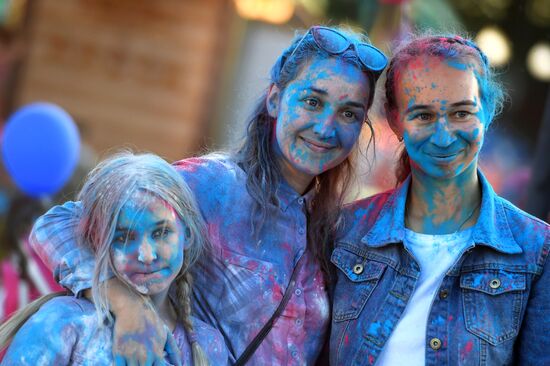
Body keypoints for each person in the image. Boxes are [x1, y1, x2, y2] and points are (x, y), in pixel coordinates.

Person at [29, 26, 388, 364]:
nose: (326, 127)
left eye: (348, 113)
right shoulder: (212, 185)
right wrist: (124, 304)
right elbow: (59, 225)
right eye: (312, 102)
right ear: (276, 99)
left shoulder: (336, 231)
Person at [330, 34, 549, 365]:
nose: (445, 136)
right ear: (395, 120)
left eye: (462, 113)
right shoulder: (344, 231)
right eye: (423, 116)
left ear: (488, 110)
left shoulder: (535, 250)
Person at [0, 152, 228, 365]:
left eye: (161, 232)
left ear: (187, 234)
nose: (147, 255)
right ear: (98, 243)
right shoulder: (63, 321)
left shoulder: (210, 346)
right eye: (125, 237)